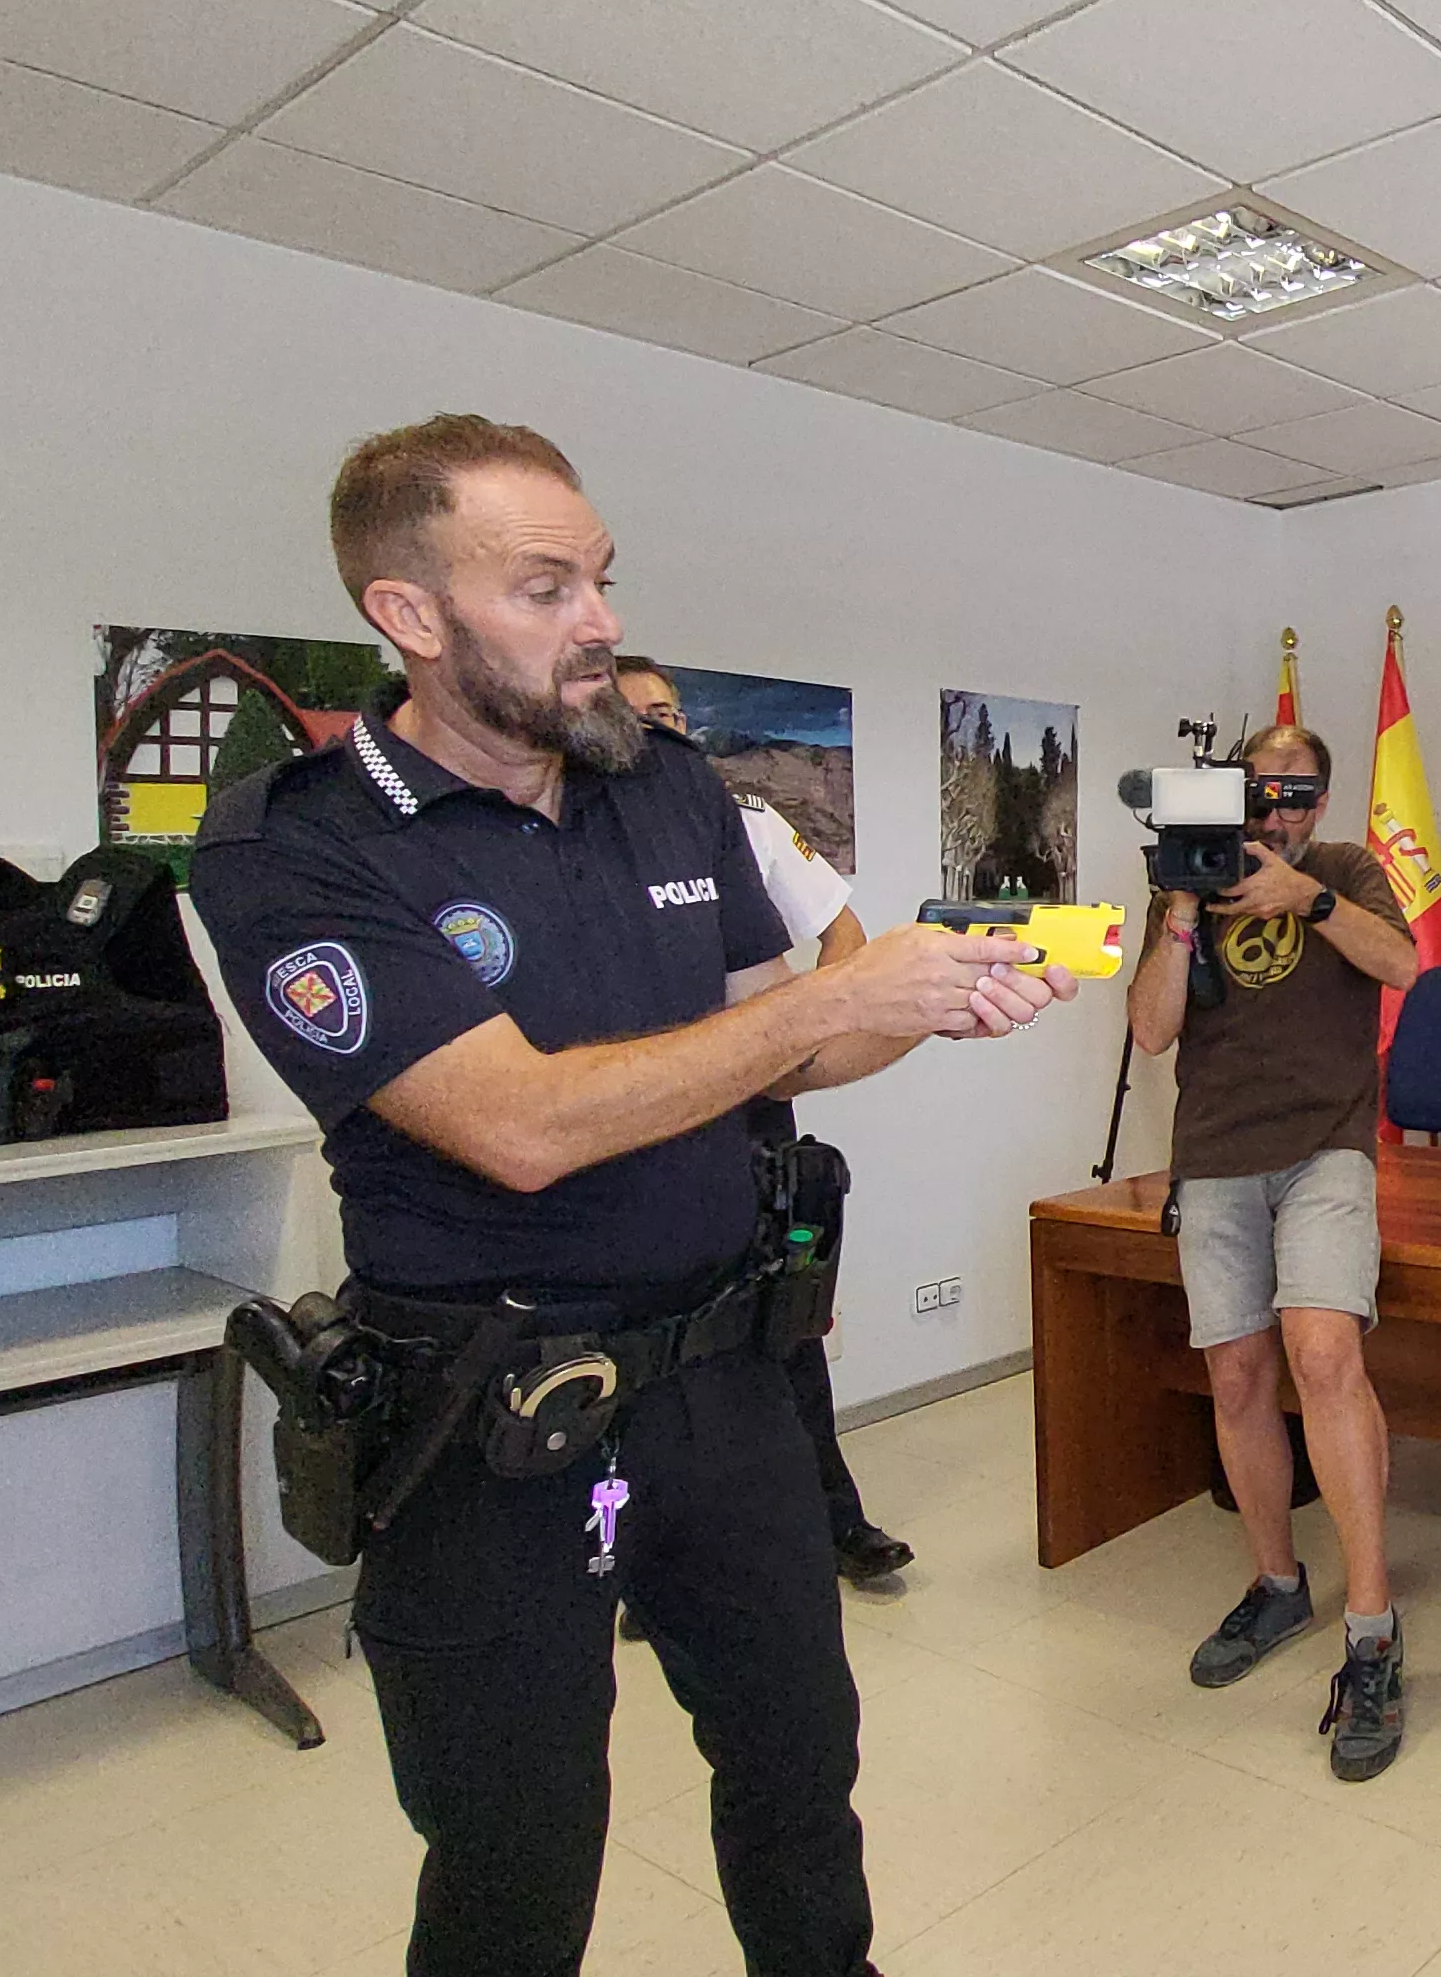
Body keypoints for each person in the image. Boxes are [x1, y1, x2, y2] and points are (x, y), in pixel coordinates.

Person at [192, 415, 1073, 1977]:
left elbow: (772, 1056)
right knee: (518, 1853)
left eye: (599, 578)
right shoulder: (300, 853)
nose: (599, 621)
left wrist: (930, 1002)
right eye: (545, 589)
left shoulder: (658, 785)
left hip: (726, 1385)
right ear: (410, 615)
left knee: (803, 1767)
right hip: (492, 1419)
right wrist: (820, 1001)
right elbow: (517, 1126)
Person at [1123, 721, 1422, 1779]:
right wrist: (1178, 914)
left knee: (1324, 1352)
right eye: (1261, 793)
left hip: (1325, 1149)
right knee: (1237, 1371)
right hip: (1213, 1155)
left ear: (1322, 803)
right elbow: (1151, 1031)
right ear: (1231, 796)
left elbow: (1408, 963)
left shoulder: (1343, 868)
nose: (1278, 813)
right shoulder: (1184, 878)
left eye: (1298, 795)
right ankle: (1277, 1584)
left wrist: (1315, 903)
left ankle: (1374, 1630)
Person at [613, 657, 915, 1588]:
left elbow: (846, 937)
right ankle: (643, 1555)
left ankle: (834, 1524)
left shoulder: (743, 825)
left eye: (674, 713)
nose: (666, 730)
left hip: (752, 1120)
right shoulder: (571, 846)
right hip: (634, 1125)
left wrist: (798, 1025)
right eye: (642, 717)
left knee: (784, 1324)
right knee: (640, 1349)